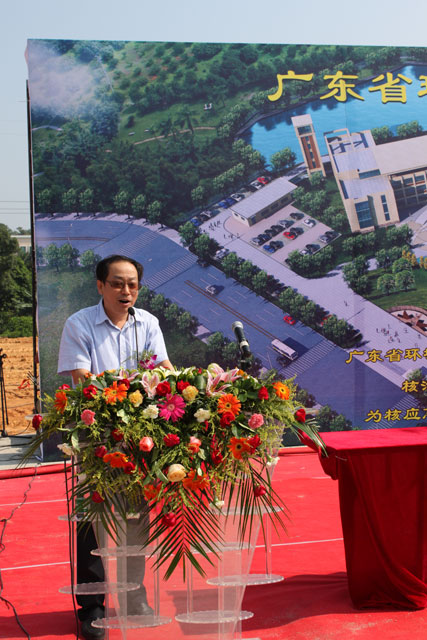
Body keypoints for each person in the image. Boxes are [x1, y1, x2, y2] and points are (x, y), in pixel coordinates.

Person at [58, 254, 173, 640]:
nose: (127, 291)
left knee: (136, 516)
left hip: (141, 438)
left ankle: (133, 595)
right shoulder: (80, 324)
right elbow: (83, 380)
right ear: (100, 286)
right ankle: (92, 605)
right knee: (93, 518)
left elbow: (164, 370)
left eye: (133, 285)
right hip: (98, 437)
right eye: (118, 283)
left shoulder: (148, 323)